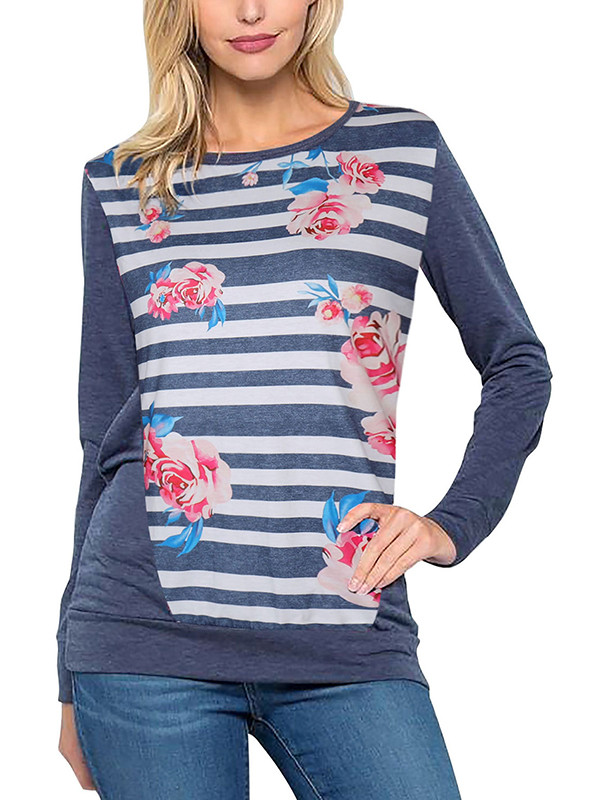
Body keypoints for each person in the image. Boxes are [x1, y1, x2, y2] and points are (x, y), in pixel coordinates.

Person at [56, 1, 553, 797]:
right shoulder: (122, 181)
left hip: (348, 632)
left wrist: (451, 524)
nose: (251, 10)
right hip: (141, 639)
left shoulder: (403, 151)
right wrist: (68, 680)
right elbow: (105, 439)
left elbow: (517, 362)